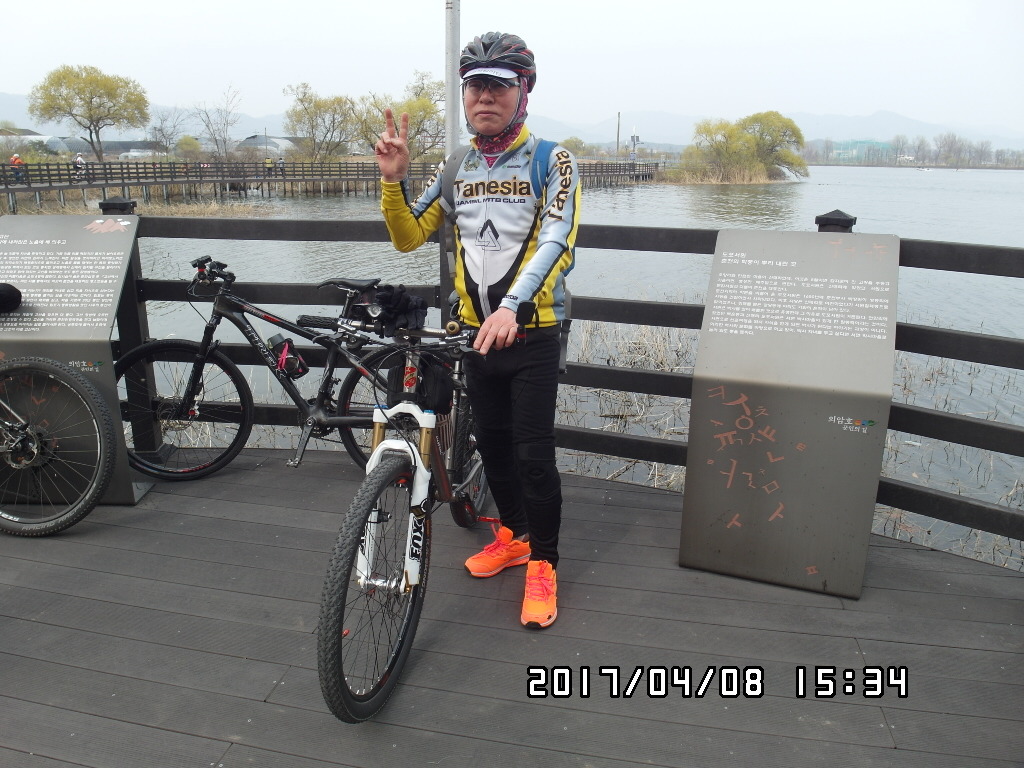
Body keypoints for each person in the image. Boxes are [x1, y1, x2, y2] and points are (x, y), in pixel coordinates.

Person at [374, 31, 581, 630]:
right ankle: (514, 536)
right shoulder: (457, 167)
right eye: (475, 86)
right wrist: (393, 181)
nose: (485, 96)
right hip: (476, 335)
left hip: (532, 331)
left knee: (533, 455)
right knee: (491, 445)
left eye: (499, 85)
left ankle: (544, 562)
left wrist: (512, 306)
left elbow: (558, 241)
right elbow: (408, 237)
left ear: (523, 92)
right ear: (464, 97)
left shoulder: (553, 160)